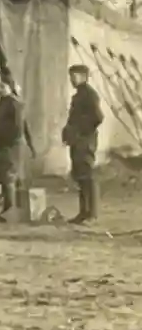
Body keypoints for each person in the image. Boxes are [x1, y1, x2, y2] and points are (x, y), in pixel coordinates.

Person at [0, 71, 35, 223]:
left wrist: (10, 143)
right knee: (5, 177)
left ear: (10, 87)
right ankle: (6, 210)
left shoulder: (14, 104)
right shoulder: (2, 102)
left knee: (9, 177)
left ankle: (11, 212)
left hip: (11, 145)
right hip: (3, 145)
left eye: (2, 86)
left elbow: (19, 127)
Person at [62, 63, 104, 225]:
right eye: (71, 76)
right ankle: (83, 212)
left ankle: (92, 215)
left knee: (88, 176)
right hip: (77, 141)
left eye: (74, 76)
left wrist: (80, 133)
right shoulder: (79, 95)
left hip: (85, 141)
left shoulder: (89, 95)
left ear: (84, 77)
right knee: (80, 176)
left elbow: (98, 117)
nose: (72, 79)